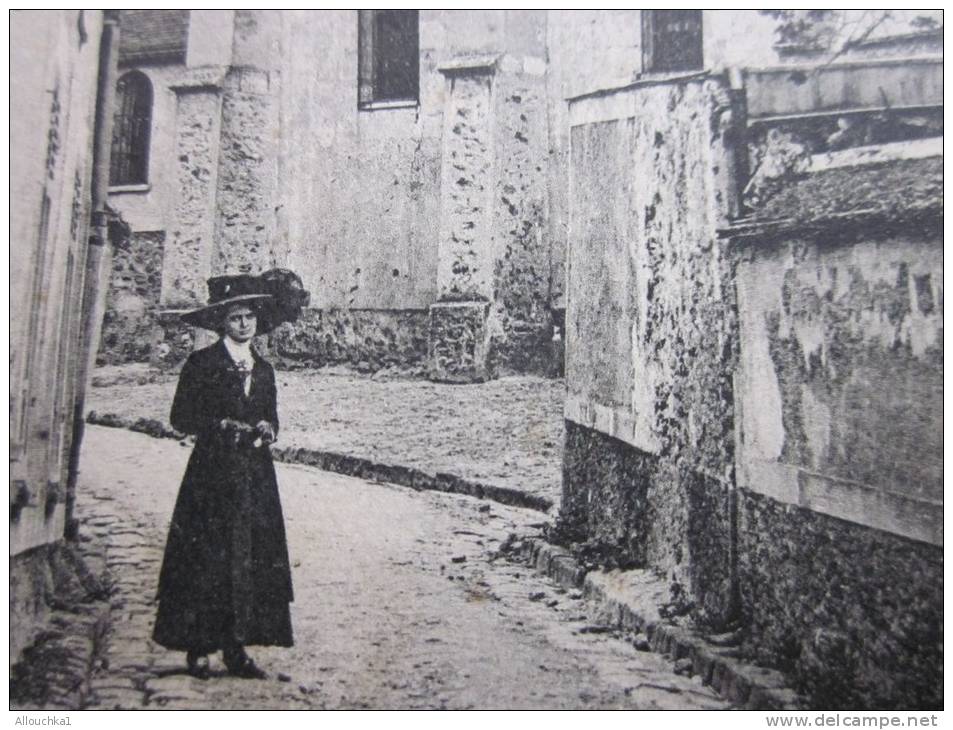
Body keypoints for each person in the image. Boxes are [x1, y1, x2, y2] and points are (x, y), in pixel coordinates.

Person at [152, 277, 294, 680]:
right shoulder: (202, 365)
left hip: (254, 478)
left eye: (250, 317)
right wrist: (219, 424)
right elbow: (180, 418)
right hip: (210, 477)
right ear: (221, 323)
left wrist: (269, 427)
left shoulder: (264, 371)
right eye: (236, 317)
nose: (244, 324)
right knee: (205, 557)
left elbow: (272, 415)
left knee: (247, 557)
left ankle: (237, 648)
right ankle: (197, 648)